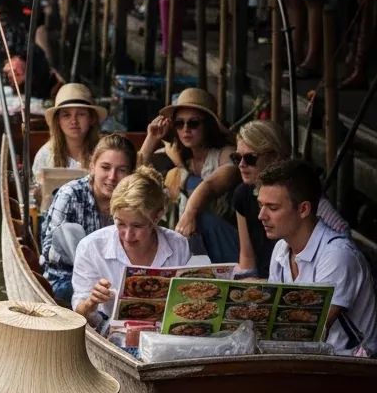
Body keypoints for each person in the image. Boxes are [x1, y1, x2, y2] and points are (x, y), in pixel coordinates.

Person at [176, 119, 347, 277]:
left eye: (250, 158)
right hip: (270, 275)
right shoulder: (243, 193)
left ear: (275, 157)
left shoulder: (303, 193)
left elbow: (342, 235)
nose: (241, 165)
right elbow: (247, 260)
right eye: (237, 158)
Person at [259, 160, 376, 352]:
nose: (261, 215)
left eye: (272, 208)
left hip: (352, 369)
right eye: (260, 205)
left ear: (303, 209)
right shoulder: (281, 248)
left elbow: (311, 331)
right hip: (311, 363)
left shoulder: (337, 255)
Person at [72, 167, 192, 329]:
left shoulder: (178, 244)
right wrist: (90, 303)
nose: (128, 235)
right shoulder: (91, 247)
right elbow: (78, 314)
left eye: (137, 225)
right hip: (114, 332)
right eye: (120, 223)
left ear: (157, 216)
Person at [139, 87, 237, 261]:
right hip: (186, 244)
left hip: (223, 244)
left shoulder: (225, 154)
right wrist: (151, 139)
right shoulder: (172, 157)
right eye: (179, 123)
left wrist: (189, 213)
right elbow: (134, 180)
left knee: (204, 219)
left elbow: (211, 185)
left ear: (208, 125)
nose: (185, 129)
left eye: (193, 123)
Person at [40, 134, 136, 305]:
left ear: (131, 173)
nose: (112, 177)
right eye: (105, 167)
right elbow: (50, 252)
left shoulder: (133, 201)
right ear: (92, 166)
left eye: (122, 170)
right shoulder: (70, 194)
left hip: (116, 280)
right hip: (67, 278)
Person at [31, 82, 104, 200]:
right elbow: (39, 198)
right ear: (58, 121)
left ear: (91, 119)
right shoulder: (45, 155)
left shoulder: (104, 151)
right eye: (66, 115)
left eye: (81, 114)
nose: (73, 121)